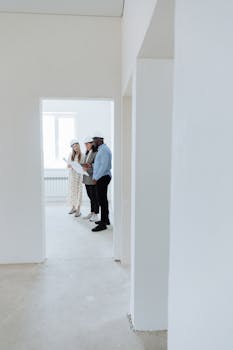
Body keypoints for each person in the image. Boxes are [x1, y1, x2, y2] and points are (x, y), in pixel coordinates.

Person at [92, 132, 112, 232]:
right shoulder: (102, 149)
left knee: (102, 200)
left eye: (94, 140)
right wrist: (90, 166)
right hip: (102, 177)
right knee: (102, 200)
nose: (93, 142)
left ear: (100, 140)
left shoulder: (104, 150)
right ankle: (106, 219)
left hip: (103, 177)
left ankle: (103, 224)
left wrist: (96, 177)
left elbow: (104, 167)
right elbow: (99, 164)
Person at [82, 137, 99, 222]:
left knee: (94, 197)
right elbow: (86, 164)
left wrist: (87, 169)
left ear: (92, 143)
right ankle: (92, 212)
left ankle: (96, 214)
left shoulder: (96, 153)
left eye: (87, 144)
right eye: (85, 144)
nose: (86, 146)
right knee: (90, 196)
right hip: (86, 178)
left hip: (92, 178)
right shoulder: (87, 153)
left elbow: (96, 166)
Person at [67, 139, 83, 217]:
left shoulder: (82, 155)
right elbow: (68, 165)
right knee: (72, 192)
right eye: (73, 147)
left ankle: (78, 210)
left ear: (78, 145)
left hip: (79, 176)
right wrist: (70, 165)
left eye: (76, 146)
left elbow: (83, 166)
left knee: (79, 192)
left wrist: (79, 166)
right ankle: (73, 207)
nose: (75, 147)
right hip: (72, 176)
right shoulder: (71, 155)